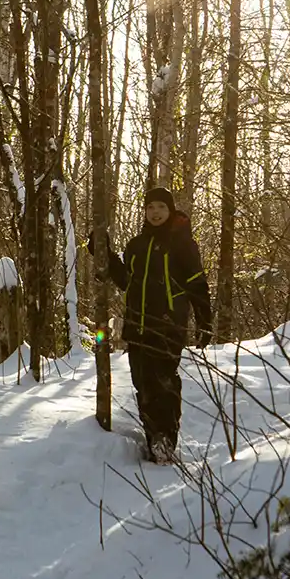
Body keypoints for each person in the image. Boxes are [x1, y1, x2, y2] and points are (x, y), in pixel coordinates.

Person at [88, 186, 212, 463]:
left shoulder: (181, 243)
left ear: (170, 211)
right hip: (137, 326)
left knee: (163, 382)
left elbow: (197, 283)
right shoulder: (136, 245)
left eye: (161, 207)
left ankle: (166, 438)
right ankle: (153, 438)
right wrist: (103, 252)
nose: (156, 213)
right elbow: (125, 281)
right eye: (151, 207)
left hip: (167, 326)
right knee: (142, 384)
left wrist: (205, 320)